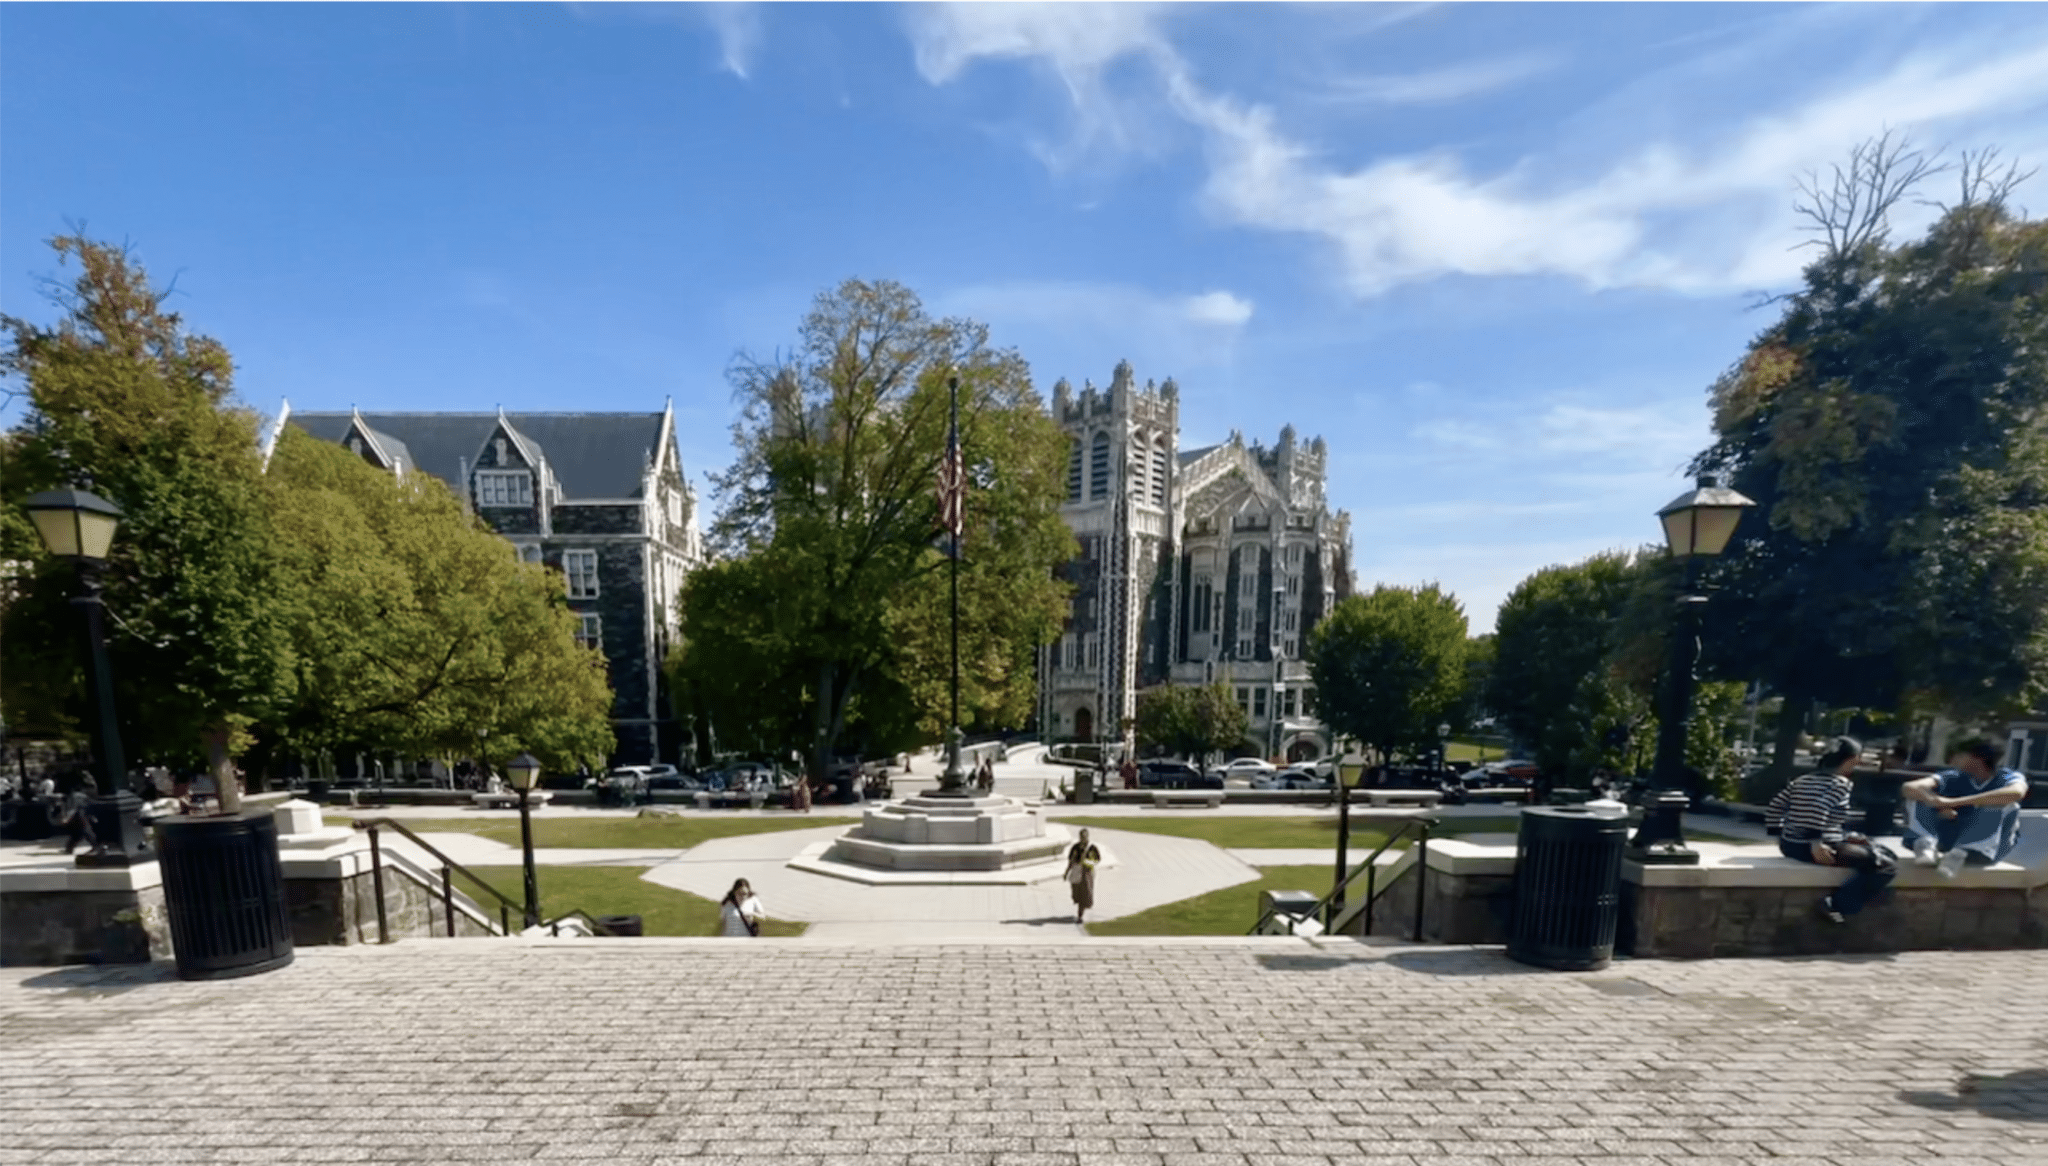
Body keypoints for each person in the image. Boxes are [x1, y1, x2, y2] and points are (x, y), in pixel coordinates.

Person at [1765, 736, 1894, 924]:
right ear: (1850, 760)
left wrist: (1779, 836)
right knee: (1886, 863)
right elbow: (1818, 808)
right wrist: (1816, 843)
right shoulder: (1840, 783)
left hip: (1790, 845)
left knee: (1872, 848)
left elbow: (1776, 806)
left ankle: (1864, 895)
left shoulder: (1802, 780)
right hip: (1814, 848)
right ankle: (1836, 904)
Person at [1901, 738, 2027, 878]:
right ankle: (1925, 845)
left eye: (1960, 755)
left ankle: (1963, 853)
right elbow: (1909, 788)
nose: (1953, 759)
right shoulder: (1953, 776)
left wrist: (1953, 803)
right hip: (1953, 836)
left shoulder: (2007, 777)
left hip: (1991, 846)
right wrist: (1935, 803)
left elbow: (2017, 792)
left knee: (2006, 804)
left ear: (1978, 758)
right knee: (1920, 796)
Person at [1065, 828, 1102, 925]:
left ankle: (1080, 915)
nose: (1083, 838)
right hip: (1076, 874)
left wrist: (1089, 862)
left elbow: (1098, 859)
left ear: (1087, 836)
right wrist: (1066, 872)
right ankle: (1081, 908)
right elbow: (1071, 861)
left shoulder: (1092, 848)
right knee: (1075, 894)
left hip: (1087, 874)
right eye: (1081, 837)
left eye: (1084, 837)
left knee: (1085, 894)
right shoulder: (1075, 847)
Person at [60, 776, 98, 856]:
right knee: (78, 833)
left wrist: (66, 818)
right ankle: (69, 849)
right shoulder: (83, 795)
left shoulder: (74, 796)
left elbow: (73, 808)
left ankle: (95, 846)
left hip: (79, 815)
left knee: (84, 832)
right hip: (83, 814)